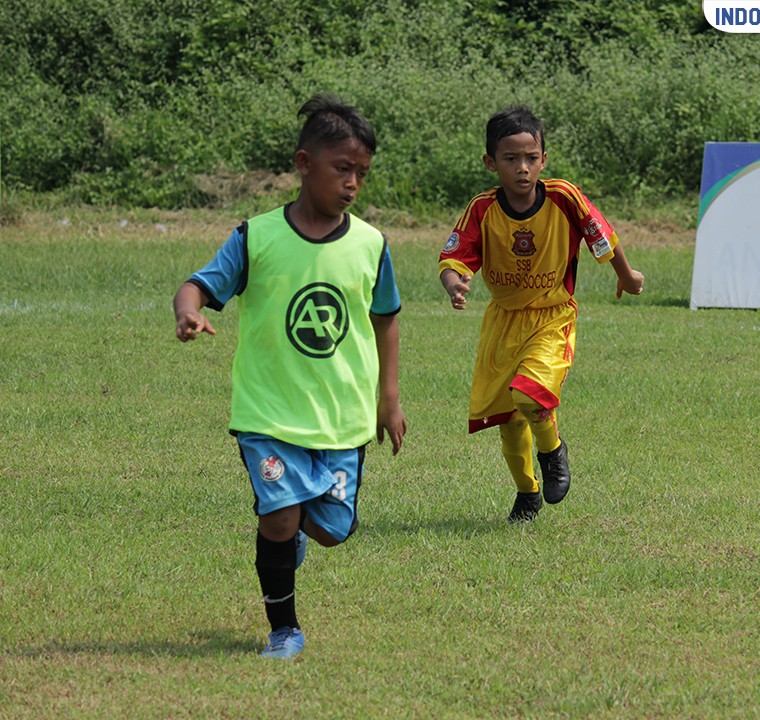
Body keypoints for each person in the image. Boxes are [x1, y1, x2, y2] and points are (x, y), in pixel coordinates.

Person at [173, 93, 406, 659]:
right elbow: (198, 285)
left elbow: (385, 319)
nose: (352, 183)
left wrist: (388, 399)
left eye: (362, 173)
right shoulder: (257, 237)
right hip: (268, 414)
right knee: (278, 516)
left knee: (331, 530)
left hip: (341, 417)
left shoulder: (371, 245)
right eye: (341, 169)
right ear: (304, 165)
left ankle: (301, 526)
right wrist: (189, 310)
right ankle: (285, 630)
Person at [438, 105, 644, 523]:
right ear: (490, 162)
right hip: (503, 323)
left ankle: (552, 452)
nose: (522, 168)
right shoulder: (481, 209)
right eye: (510, 159)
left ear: (544, 160)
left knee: (529, 394)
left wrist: (628, 275)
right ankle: (527, 493)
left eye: (531, 158)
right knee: (509, 421)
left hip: (553, 317)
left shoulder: (565, 198)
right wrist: (453, 281)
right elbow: (454, 257)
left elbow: (601, 237)